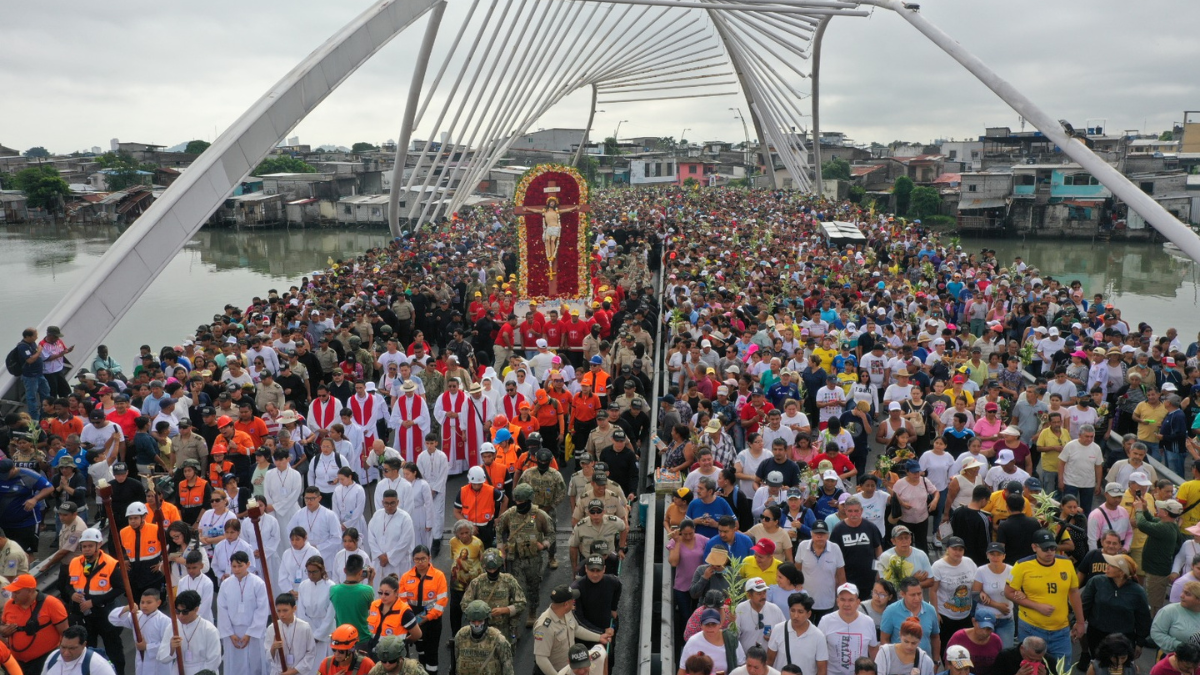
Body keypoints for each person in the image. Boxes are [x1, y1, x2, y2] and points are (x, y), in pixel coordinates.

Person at [1004, 529, 1084, 662]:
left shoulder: (1066, 563)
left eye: (1053, 548)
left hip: (1061, 629)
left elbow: (1074, 592)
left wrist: (1080, 622)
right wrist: (1037, 606)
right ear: (1034, 547)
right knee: (1032, 665)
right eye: (1045, 549)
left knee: (1062, 668)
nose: (1050, 552)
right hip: (1031, 628)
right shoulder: (1022, 565)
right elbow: (1009, 592)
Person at [65, 528, 126, 675]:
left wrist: (94, 602)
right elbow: (66, 584)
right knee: (87, 650)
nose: (87, 549)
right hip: (84, 615)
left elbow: (120, 588)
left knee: (113, 649)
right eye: (84, 546)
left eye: (90, 546)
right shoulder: (75, 562)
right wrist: (72, 594)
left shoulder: (110, 563)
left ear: (98, 545)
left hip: (105, 613)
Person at [534, 585, 613, 675]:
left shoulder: (566, 612)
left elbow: (576, 630)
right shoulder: (544, 627)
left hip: (571, 668)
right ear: (566, 604)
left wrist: (599, 637)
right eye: (572, 599)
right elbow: (541, 658)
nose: (574, 601)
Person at [0, 573, 68, 675]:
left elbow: (65, 633)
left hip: (43, 661)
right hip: (16, 661)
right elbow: (2, 625)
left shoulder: (52, 604)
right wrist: (4, 631)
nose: (13, 596)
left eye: (17, 592)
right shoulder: (9, 605)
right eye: (12, 592)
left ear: (30, 591)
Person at [217, 550, 270, 675]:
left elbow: (262, 609)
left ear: (248, 564)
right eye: (234, 566)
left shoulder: (258, 583)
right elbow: (222, 609)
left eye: (240, 566)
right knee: (234, 665)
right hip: (232, 632)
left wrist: (250, 633)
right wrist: (230, 633)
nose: (236, 569)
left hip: (253, 631)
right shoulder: (226, 584)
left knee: (254, 665)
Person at [397, 545, 448, 672]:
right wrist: (410, 618)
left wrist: (429, 616)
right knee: (420, 650)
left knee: (432, 652)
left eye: (423, 559)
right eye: (417, 559)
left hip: (432, 621)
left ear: (429, 558)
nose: (420, 562)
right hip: (413, 620)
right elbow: (402, 600)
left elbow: (442, 601)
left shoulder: (439, 576)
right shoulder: (406, 577)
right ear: (413, 559)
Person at [461, 549, 526, 645]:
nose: (492, 571)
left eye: (494, 569)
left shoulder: (509, 581)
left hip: (503, 628)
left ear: (500, 566)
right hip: (481, 628)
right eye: (489, 569)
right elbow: (465, 604)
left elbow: (521, 603)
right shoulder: (477, 582)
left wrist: (505, 610)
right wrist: (480, 613)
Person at [817, 583, 879, 675]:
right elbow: (819, 652)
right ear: (837, 601)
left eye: (851, 600)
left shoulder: (868, 622)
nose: (846, 604)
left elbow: (873, 649)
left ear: (858, 602)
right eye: (842, 599)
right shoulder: (825, 621)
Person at [109, 588, 173, 675]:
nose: (144, 605)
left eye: (149, 602)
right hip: (141, 660)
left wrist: (147, 647)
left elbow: (168, 645)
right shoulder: (137, 616)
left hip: (158, 664)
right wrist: (126, 608)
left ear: (158, 603)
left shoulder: (165, 621)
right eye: (142, 602)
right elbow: (113, 618)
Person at [158, 589, 223, 675]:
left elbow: (214, 660)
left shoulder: (209, 630)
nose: (180, 616)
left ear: (196, 609)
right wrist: (171, 649)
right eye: (177, 611)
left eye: (185, 612)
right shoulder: (173, 627)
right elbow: (161, 657)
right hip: (178, 670)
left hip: (201, 671)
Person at [831, 496, 883, 601]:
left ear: (861, 511)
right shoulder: (838, 530)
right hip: (847, 580)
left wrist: (879, 571)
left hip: (869, 579)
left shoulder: (871, 527)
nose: (853, 514)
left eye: (856, 511)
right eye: (850, 511)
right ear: (845, 511)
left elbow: (878, 549)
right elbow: (833, 556)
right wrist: (838, 579)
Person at [930, 537, 979, 647]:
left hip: (966, 615)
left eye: (960, 549)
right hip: (945, 616)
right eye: (954, 549)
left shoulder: (969, 562)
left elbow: (976, 585)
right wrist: (935, 613)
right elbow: (933, 590)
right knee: (946, 647)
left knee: (966, 648)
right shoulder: (938, 566)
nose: (958, 552)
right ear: (947, 549)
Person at [794, 520, 845, 624]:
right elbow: (797, 570)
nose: (819, 537)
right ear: (811, 534)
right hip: (805, 601)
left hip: (827, 602)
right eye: (817, 533)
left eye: (823, 534)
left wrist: (842, 597)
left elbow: (841, 576)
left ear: (828, 535)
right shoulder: (802, 546)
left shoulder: (835, 548)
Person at [765, 592, 827, 675]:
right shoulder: (778, 629)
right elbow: (769, 661)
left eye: (800, 612)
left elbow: (822, 669)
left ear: (809, 614)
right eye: (792, 611)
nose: (795, 616)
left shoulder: (818, 636)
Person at [881, 576, 941, 657]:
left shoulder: (930, 610)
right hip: (899, 661)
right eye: (913, 595)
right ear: (902, 594)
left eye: (919, 594)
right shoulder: (891, 611)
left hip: (925, 661)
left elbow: (935, 637)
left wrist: (936, 661)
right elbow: (884, 639)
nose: (917, 598)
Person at [454, 600, 515, 675]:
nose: (476, 624)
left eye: (480, 621)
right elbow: (456, 660)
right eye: (473, 621)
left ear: (486, 620)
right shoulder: (461, 635)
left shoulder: (498, 639)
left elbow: (508, 668)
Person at [265, 593, 318, 675]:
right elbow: (268, 656)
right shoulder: (272, 628)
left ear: (294, 608)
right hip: (279, 672)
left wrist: (294, 671)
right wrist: (273, 648)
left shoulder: (304, 627)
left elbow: (311, 653)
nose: (281, 615)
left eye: (285, 610)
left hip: (298, 672)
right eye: (278, 611)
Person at [296, 556, 336, 662]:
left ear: (322, 570)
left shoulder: (331, 586)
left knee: (324, 661)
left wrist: (318, 635)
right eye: (308, 572)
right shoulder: (303, 585)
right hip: (308, 629)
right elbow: (301, 612)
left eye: (314, 572)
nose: (311, 575)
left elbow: (331, 614)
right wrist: (309, 633)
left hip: (326, 631)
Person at [736, 577, 786, 654]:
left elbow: (785, 633)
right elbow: (734, 636)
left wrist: (774, 637)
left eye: (764, 592)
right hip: (746, 658)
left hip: (769, 658)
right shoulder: (740, 609)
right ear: (749, 595)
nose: (763, 596)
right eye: (759, 594)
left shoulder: (775, 609)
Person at [42, 626, 117, 675]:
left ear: (84, 645)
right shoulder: (53, 657)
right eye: (63, 647)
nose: (66, 653)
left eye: (72, 648)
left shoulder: (98, 665)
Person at [1152, 581, 1200, 653]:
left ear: (1198, 600)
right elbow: (1156, 633)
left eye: (1187, 594)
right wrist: (1179, 645)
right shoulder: (1169, 610)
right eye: (1183, 592)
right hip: (1171, 656)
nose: (1181, 595)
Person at [990, 636, 1056, 675]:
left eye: (1038, 660)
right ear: (1022, 648)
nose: (1034, 662)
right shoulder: (1005, 656)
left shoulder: (1049, 661)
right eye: (1030, 659)